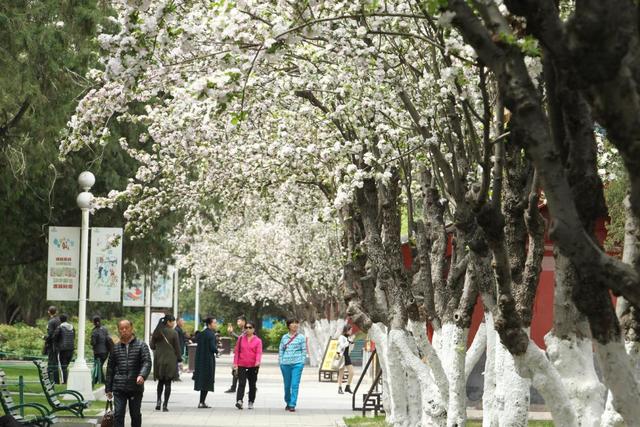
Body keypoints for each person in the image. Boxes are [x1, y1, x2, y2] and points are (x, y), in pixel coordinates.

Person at [106, 319, 152, 427]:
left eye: (126, 328)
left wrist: (142, 375)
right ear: (118, 330)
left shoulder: (141, 345)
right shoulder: (115, 348)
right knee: (118, 414)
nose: (124, 330)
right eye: (121, 329)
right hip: (119, 387)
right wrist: (108, 388)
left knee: (135, 414)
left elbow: (147, 362)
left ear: (132, 328)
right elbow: (110, 368)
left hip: (135, 387)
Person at [150, 314, 181, 412]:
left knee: (160, 382)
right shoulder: (174, 333)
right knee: (168, 383)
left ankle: (158, 401)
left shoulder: (157, 332)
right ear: (168, 322)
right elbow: (177, 348)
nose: (174, 324)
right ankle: (165, 405)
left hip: (159, 359)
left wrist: (158, 349)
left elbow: (152, 345)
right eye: (173, 322)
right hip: (170, 360)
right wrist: (179, 358)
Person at [278, 318, 307, 412]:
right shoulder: (284, 337)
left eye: (296, 323)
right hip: (285, 364)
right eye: (293, 323)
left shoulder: (301, 337)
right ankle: (288, 401)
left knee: (294, 385)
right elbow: (281, 350)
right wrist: (281, 361)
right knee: (287, 385)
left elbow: (304, 350)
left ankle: (292, 404)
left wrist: (302, 362)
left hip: (297, 364)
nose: (295, 325)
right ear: (288, 325)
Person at [233, 321, 262, 410]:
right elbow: (237, 351)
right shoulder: (241, 339)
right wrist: (235, 363)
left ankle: (251, 401)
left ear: (253, 329)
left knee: (252, 384)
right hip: (241, 364)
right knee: (241, 383)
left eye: (250, 327)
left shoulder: (258, 340)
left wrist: (257, 361)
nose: (248, 329)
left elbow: (259, 352)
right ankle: (239, 401)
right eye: (246, 327)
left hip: (253, 366)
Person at [193, 317, 219, 408]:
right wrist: (217, 351)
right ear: (209, 324)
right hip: (208, 360)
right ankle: (202, 402)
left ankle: (201, 402)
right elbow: (212, 347)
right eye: (214, 323)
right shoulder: (211, 334)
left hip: (200, 360)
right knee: (208, 380)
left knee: (202, 380)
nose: (216, 324)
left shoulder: (201, 333)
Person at [224, 315, 247, 393]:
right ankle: (233, 387)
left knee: (239, 370)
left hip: (244, 355)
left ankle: (252, 387)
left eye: (239, 321)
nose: (238, 323)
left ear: (244, 321)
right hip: (240, 354)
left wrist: (232, 333)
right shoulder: (243, 330)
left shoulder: (247, 329)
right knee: (235, 370)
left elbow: (242, 339)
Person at [53, 314, 75, 384]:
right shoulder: (72, 328)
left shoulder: (60, 327)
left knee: (63, 366)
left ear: (60, 320)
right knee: (66, 366)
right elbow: (73, 337)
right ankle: (67, 380)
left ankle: (64, 381)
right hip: (71, 349)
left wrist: (56, 344)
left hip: (63, 349)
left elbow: (55, 337)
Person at [90, 315, 112, 384]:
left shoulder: (94, 331)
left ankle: (102, 380)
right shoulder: (105, 329)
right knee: (99, 366)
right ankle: (97, 380)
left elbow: (93, 342)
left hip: (98, 352)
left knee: (98, 366)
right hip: (106, 351)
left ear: (94, 322)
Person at [44, 306, 61, 384]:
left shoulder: (51, 322)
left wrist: (45, 337)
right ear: (56, 312)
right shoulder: (59, 320)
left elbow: (50, 334)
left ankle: (50, 380)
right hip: (58, 344)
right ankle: (56, 380)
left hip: (52, 345)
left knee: (51, 362)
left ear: (48, 312)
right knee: (55, 362)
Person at [337, 325, 355, 394]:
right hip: (342, 356)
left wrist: (352, 343)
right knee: (341, 373)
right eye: (350, 330)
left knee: (352, 372)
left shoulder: (349, 338)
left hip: (347, 356)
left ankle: (347, 386)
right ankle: (339, 388)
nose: (351, 331)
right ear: (347, 330)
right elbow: (342, 346)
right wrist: (348, 342)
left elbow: (351, 349)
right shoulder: (342, 337)